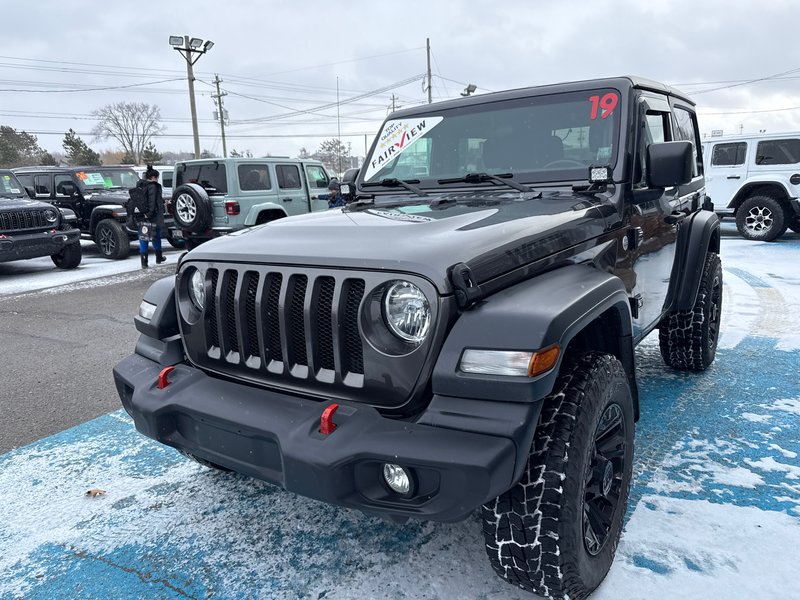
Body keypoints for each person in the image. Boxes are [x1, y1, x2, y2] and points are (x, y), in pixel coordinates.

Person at [140, 165, 166, 268]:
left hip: (141, 215)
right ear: (154, 177)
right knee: (156, 236)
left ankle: (144, 261)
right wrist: (150, 214)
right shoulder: (153, 186)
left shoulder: (141, 185)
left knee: (143, 237)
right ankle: (158, 257)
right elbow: (152, 202)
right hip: (152, 216)